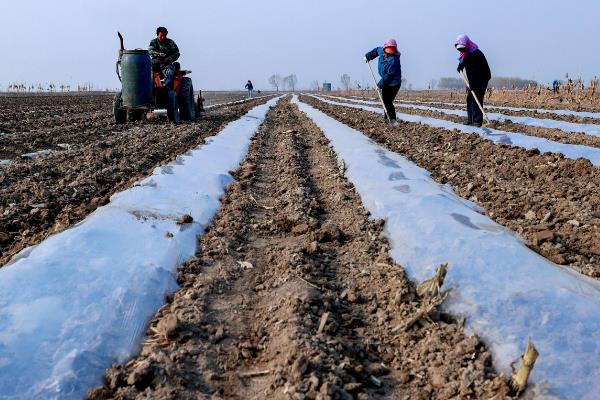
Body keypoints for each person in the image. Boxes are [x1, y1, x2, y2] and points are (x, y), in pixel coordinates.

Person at [455, 34, 491, 127]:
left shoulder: (474, 54)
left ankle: (477, 122)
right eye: (459, 48)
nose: (461, 50)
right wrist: (460, 66)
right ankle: (470, 120)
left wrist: (471, 84)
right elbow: (464, 61)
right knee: (469, 98)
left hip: (481, 78)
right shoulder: (466, 53)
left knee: (476, 99)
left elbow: (474, 71)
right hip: (473, 78)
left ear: (467, 45)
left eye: (462, 48)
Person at [364, 39, 402, 126]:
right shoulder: (381, 51)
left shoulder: (394, 60)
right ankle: (387, 119)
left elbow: (389, 75)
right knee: (386, 101)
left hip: (394, 83)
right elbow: (376, 50)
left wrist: (380, 85)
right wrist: (368, 56)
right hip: (386, 81)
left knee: (387, 101)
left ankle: (392, 120)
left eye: (392, 49)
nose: (390, 51)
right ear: (385, 48)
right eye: (388, 49)